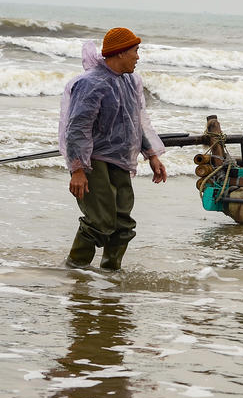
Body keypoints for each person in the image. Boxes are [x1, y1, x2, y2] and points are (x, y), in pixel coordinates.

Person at [58, 27, 167, 270]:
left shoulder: (130, 81)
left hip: (120, 159)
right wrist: (77, 169)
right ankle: (74, 271)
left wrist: (152, 155)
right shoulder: (91, 84)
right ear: (119, 53)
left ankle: (110, 273)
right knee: (99, 220)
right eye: (135, 51)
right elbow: (77, 129)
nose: (138, 57)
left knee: (122, 222)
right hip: (92, 160)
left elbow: (137, 120)